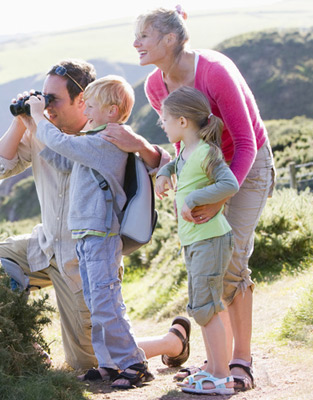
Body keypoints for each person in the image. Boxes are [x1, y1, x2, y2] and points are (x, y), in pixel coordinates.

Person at [105, 5, 276, 391]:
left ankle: (239, 363)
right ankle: (216, 360)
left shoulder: (215, 71)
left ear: (169, 38)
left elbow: (246, 142)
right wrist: (169, 174)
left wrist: (219, 196)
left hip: (246, 165)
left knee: (232, 261)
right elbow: (184, 146)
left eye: (143, 35)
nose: (136, 43)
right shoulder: (155, 86)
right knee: (207, 262)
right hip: (202, 172)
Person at [0, 59, 189, 375]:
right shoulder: (44, 131)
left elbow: (165, 163)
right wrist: (23, 119)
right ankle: (24, 347)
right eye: (43, 96)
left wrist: (141, 145)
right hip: (45, 246)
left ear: (83, 100)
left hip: (84, 263)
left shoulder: (110, 135)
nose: (47, 106)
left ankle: (171, 343)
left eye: (54, 99)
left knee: (88, 361)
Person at [23, 75, 151, 388]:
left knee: (106, 304)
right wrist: (30, 124)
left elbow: (64, 144)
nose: (86, 110)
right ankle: (107, 363)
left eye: (91, 105)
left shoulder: (106, 141)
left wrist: (40, 117)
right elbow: (61, 158)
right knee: (96, 304)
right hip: (86, 233)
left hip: (101, 234)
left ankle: (134, 364)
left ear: (112, 111)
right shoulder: (93, 140)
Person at [155, 87, 239, 395]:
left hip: (211, 238)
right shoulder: (185, 152)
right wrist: (164, 174)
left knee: (206, 309)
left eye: (164, 119)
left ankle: (220, 376)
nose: (161, 124)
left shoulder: (206, 153)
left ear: (181, 121)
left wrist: (193, 198)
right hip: (196, 241)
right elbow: (176, 165)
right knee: (204, 308)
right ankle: (215, 368)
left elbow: (229, 183)